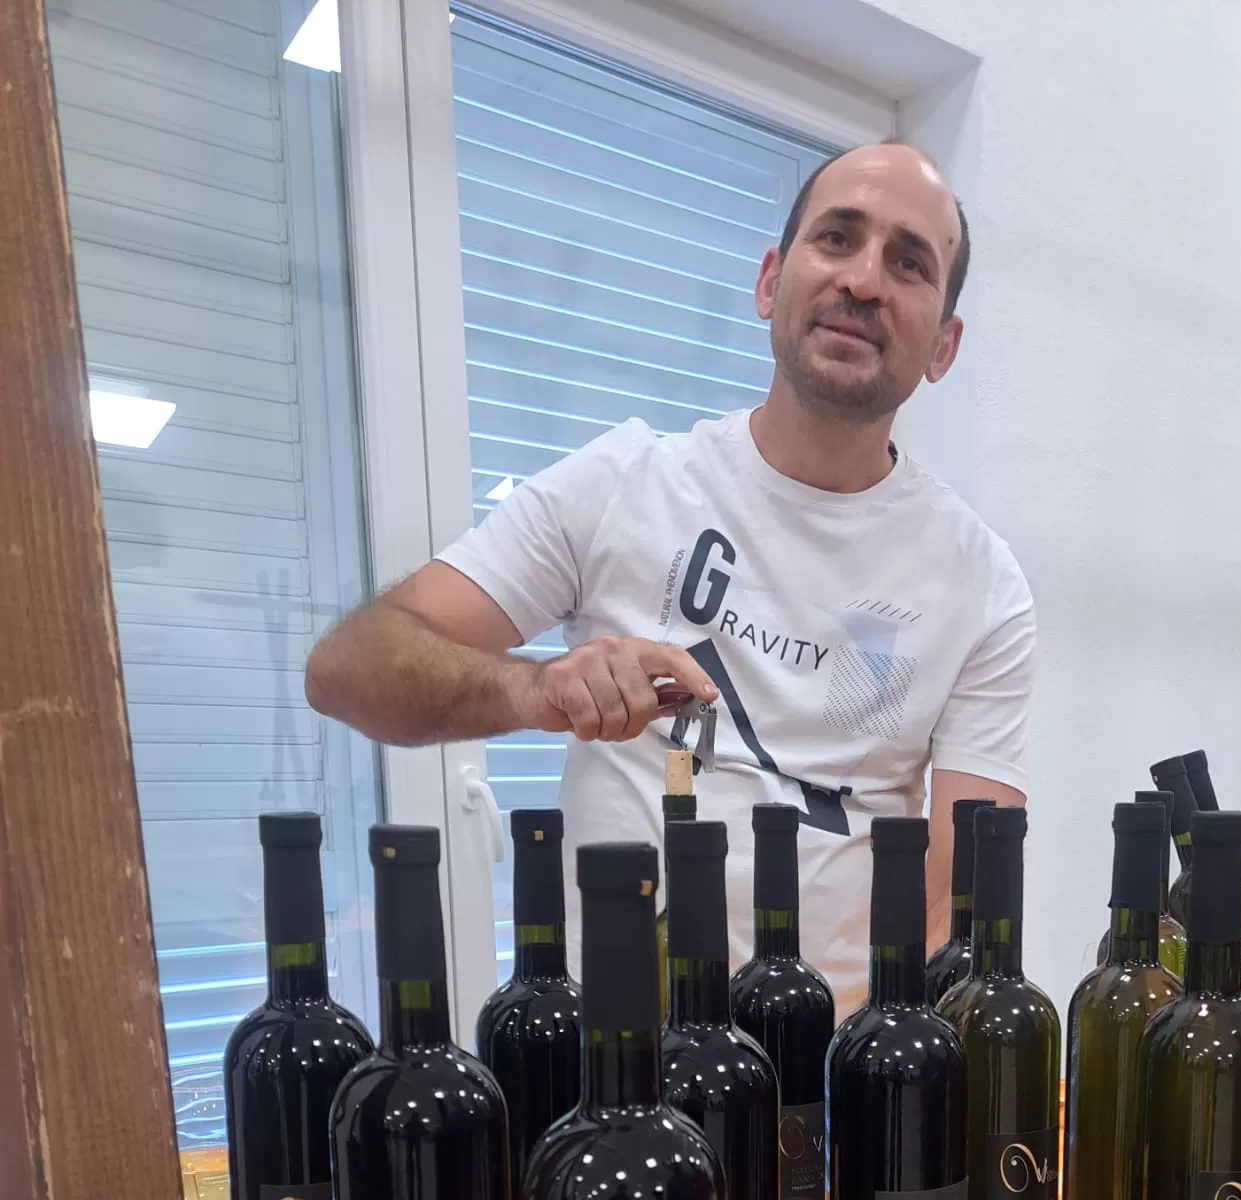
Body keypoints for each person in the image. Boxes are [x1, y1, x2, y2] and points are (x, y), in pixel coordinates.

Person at [306, 143, 1035, 1013]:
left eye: (909, 263)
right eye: (837, 238)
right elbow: (348, 668)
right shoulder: (623, 483)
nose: (864, 280)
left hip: (833, 1068)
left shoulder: (982, 584)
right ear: (771, 281)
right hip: (611, 1057)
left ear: (944, 346)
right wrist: (536, 689)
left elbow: (956, 909)